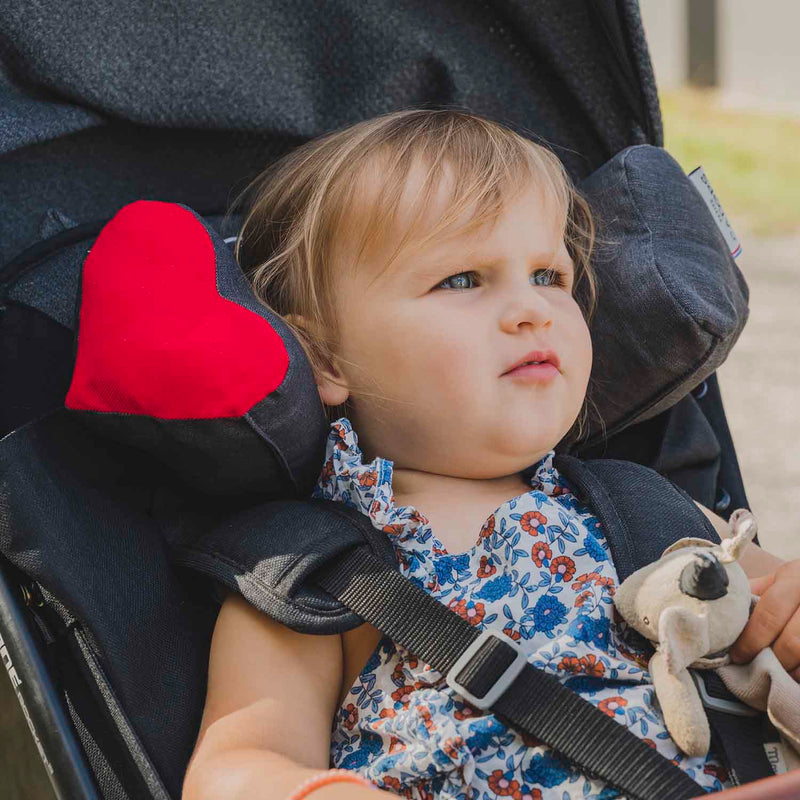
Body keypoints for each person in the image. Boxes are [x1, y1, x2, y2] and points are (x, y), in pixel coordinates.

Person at [182, 109, 799, 800]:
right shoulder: (311, 572)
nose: (530, 310)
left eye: (548, 276)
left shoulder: (646, 506)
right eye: (463, 280)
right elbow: (234, 770)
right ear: (325, 355)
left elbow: (781, 606)